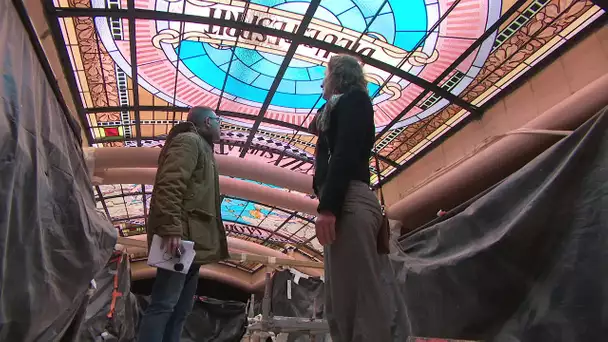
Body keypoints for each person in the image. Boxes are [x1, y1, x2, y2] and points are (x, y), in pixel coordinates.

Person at [313, 55, 409, 341]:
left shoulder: (355, 101)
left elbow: (347, 151)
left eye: (325, 75)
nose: (321, 82)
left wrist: (328, 206)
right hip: (345, 199)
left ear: (338, 76)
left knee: (357, 300)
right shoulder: (336, 109)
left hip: (348, 200)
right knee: (342, 300)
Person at [137, 106, 229, 342]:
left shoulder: (205, 150)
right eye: (218, 121)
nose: (221, 126)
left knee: (181, 309)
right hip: (180, 240)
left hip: (192, 243)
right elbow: (170, 184)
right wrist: (171, 229)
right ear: (208, 122)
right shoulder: (189, 142)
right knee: (164, 304)